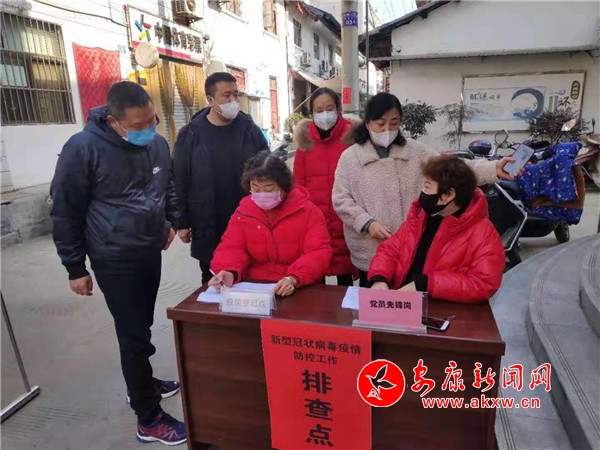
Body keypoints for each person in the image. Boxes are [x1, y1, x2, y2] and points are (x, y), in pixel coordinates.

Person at [50, 81, 186, 445]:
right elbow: (65, 211)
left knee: (142, 326)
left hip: (148, 251)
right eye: (138, 125)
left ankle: (142, 382)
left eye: (152, 121)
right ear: (113, 122)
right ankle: (148, 416)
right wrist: (75, 267)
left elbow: (167, 185)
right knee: (133, 335)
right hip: (114, 256)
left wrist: (170, 221)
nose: (148, 130)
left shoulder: (156, 143)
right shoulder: (83, 148)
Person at [332, 92, 519, 287]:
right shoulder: (350, 158)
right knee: (375, 296)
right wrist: (367, 223)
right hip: (371, 249)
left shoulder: (415, 151)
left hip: (411, 248)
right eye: (381, 124)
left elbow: (451, 169)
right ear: (367, 122)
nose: (387, 129)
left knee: (412, 297)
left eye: (394, 123)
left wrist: (492, 168)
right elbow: (341, 199)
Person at [173, 72, 269, 285]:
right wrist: (182, 222)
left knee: (250, 275)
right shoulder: (191, 135)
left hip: (248, 216)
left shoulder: (249, 130)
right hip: (207, 220)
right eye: (227, 96)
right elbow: (180, 180)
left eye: (236, 94)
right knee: (213, 279)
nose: (233, 100)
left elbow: (267, 169)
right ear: (210, 100)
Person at [367, 156, 505, 302]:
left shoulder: (483, 233)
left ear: (448, 195)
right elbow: (390, 250)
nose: (423, 193)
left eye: (427, 187)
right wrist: (379, 278)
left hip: (441, 310)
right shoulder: (420, 218)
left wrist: (427, 284)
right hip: (401, 303)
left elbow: (483, 284)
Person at [208, 152, 332, 297]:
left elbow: (318, 252)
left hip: (298, 287)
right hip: (254, 287)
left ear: (283, 186)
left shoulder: (308, 211)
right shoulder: (244, 212)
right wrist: (229, 271)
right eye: (255, 188)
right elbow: (231, 247)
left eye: (268, 188)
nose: (262, 193)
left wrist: (294, 277)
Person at [293, 87, 357, 287]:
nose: (325, 114)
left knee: (345, 285)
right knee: (314, 277)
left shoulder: (353, 139)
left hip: (346, 221)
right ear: (312, 113)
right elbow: (298, 186)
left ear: (338, 109)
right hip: (315, 223)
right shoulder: (305, 143)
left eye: (329, 108)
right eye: (319, 110)